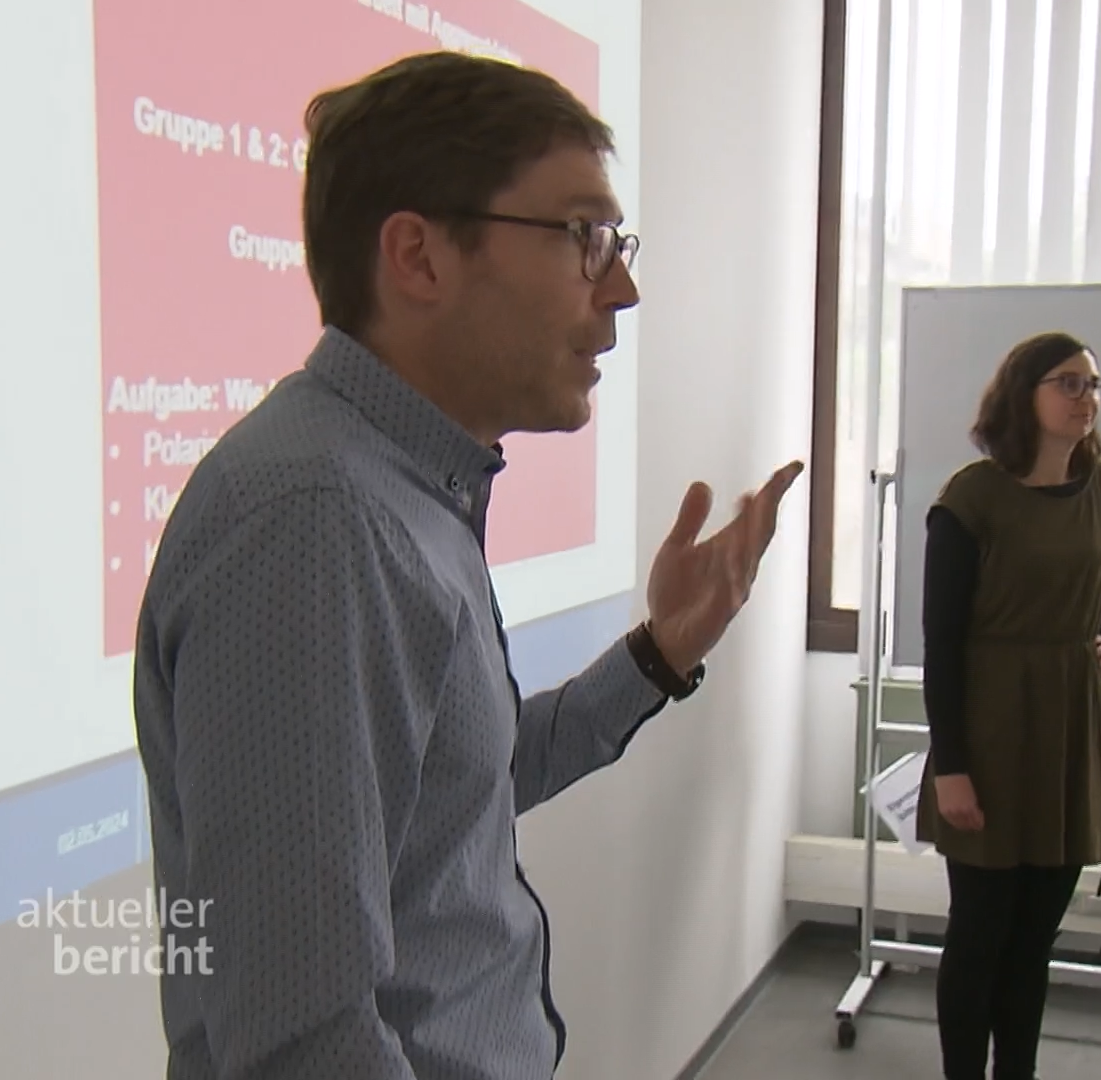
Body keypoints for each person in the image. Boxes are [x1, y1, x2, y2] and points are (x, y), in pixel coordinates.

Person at [130, 51, 803, 1080]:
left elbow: (456, 795)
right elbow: (303, 1039)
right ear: (419, 258)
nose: (621, 287)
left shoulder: (405, 492)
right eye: (584, 238)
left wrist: (660, 655)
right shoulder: (317, 520)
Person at [913, 331, 1101, 1080]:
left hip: (1069, 725)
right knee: (981, 932)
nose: (1086, 397)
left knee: (1033, 938)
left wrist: (1100, 637)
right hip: (988, 727)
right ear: (1024, 393)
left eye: (1093, 385)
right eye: (1069, 383)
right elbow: (942, 639)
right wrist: (950, 765)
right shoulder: (971, 497)